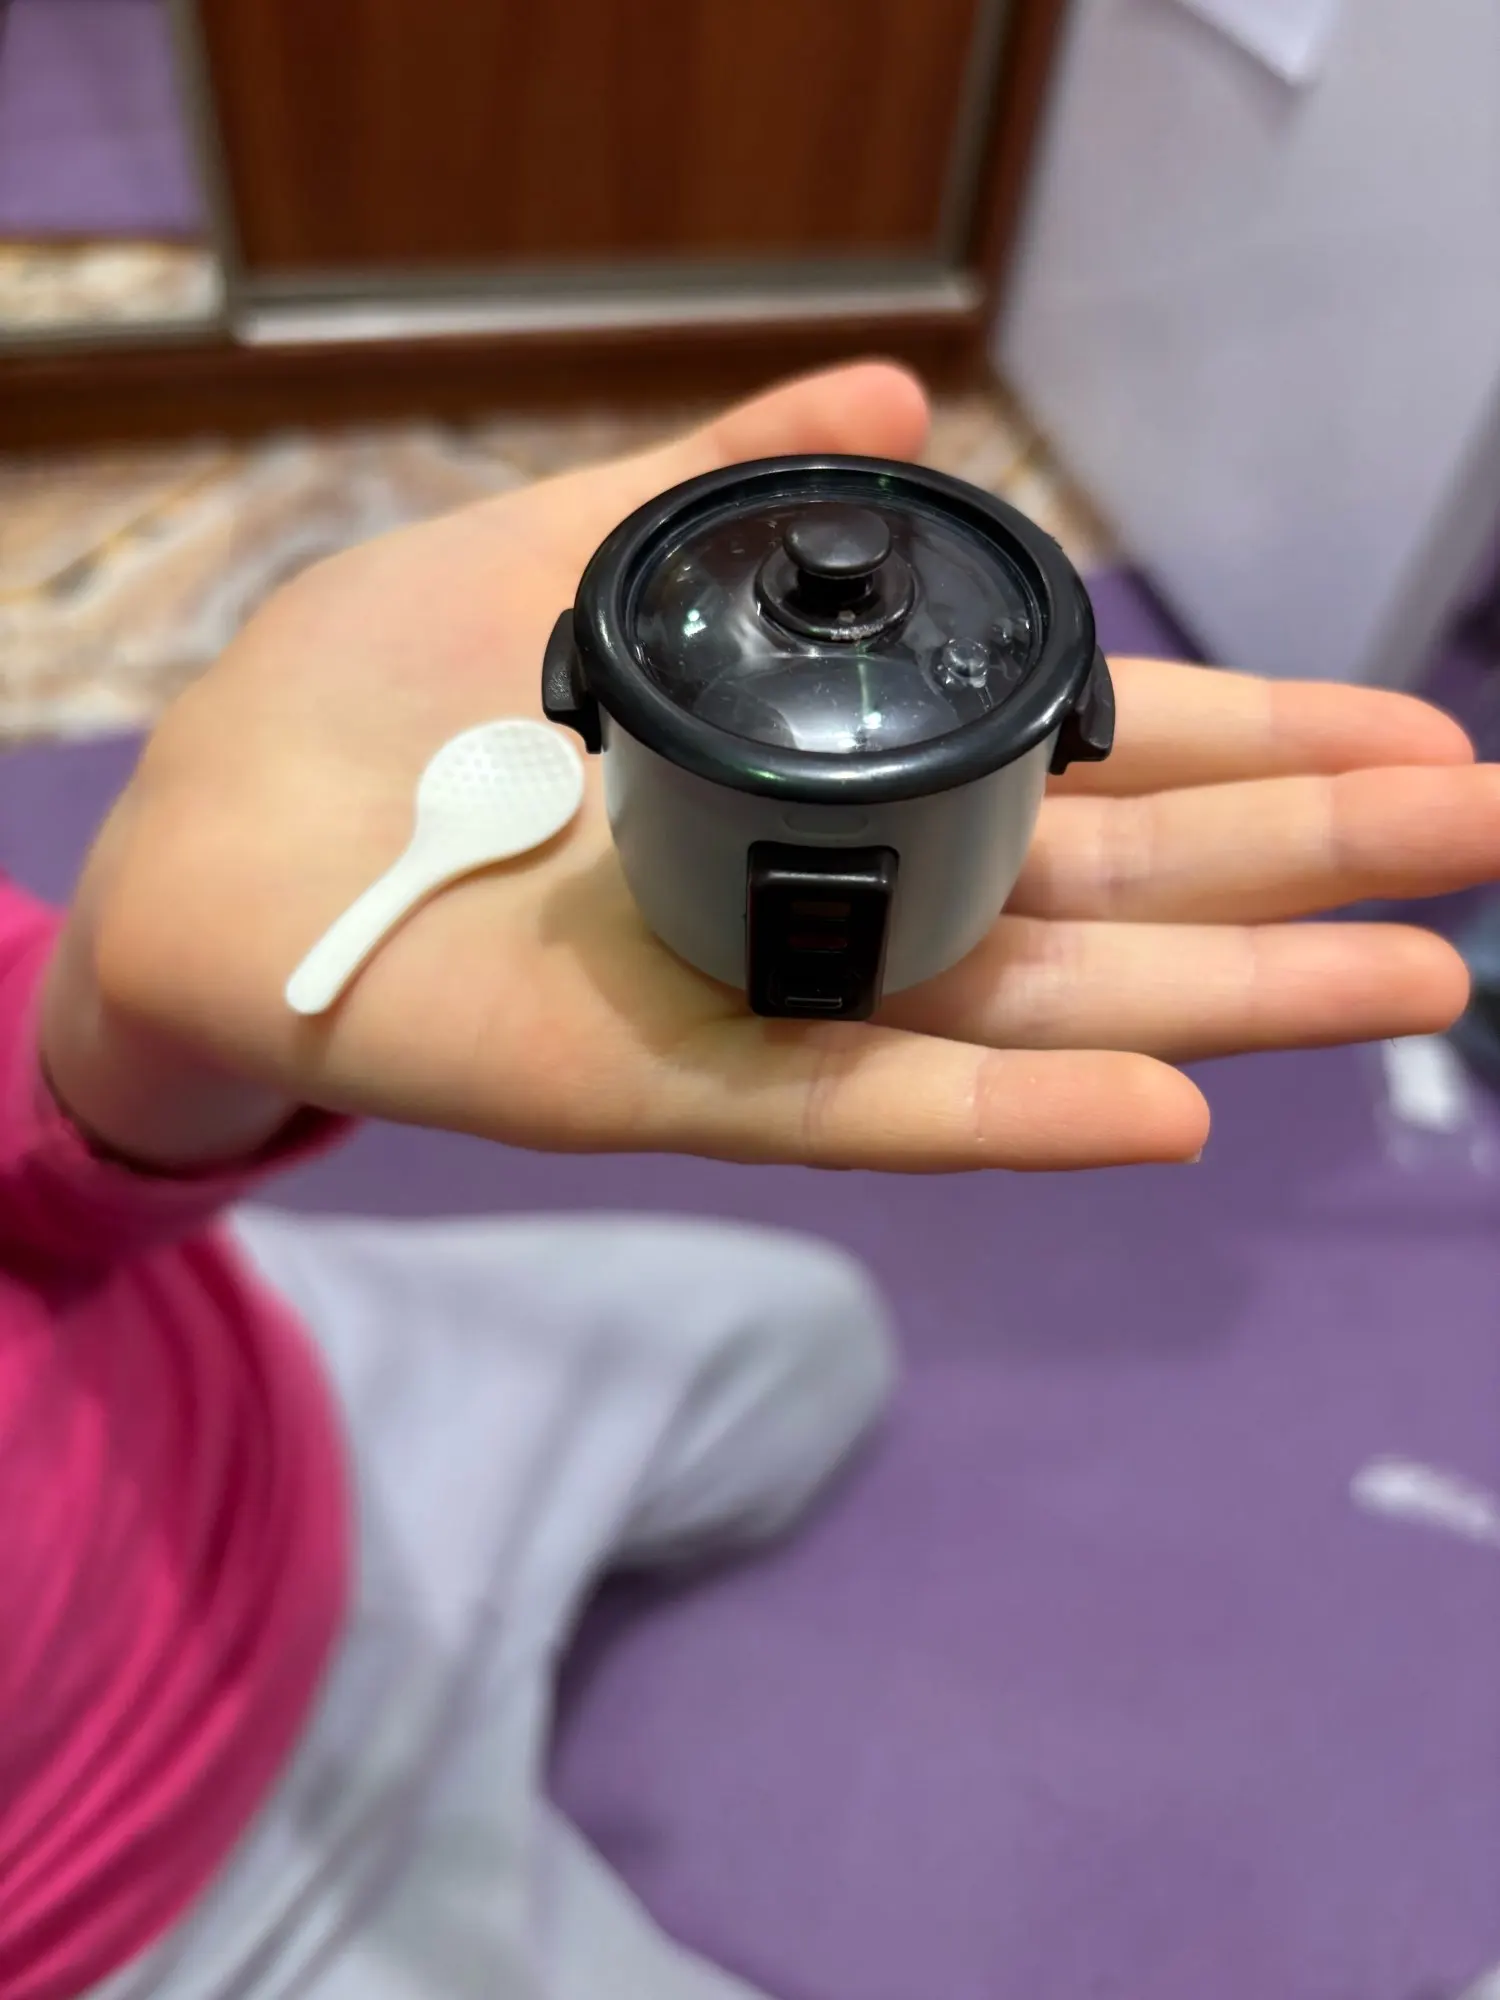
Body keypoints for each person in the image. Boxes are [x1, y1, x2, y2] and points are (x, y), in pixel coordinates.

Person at [3, 361, 1496, 2000]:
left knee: (815, 1339)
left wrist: (120, 1011)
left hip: (243, 1382)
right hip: (144, 1892)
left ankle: (492, 1581)